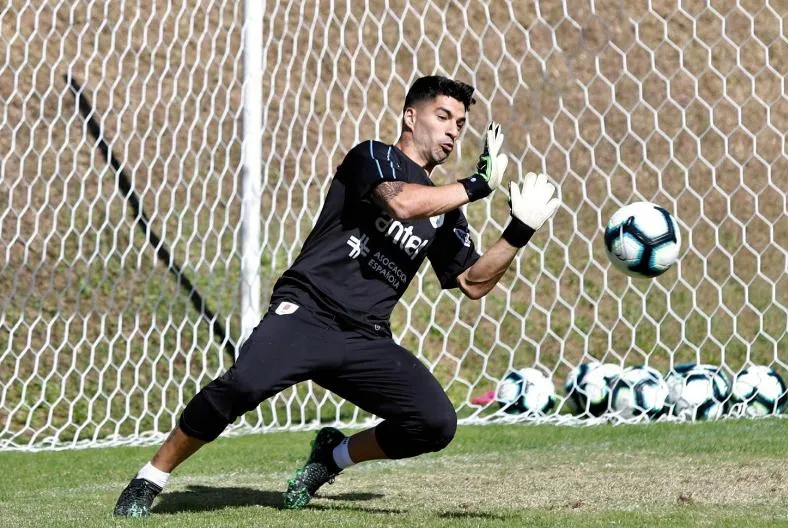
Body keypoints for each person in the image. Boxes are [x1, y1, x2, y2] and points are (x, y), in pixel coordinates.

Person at [113, 75, 561, 517]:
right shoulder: (373, 156)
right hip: (307, 312)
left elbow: (472, 282)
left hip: (365, 338)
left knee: (435, 423)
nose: (452, 130)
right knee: (244, 385)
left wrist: (518, 232)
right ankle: (150, 479)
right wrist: (475, 186)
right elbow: (402, 204)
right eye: (442, 116)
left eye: (460, 124)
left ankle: (332, 456)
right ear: (410, 116)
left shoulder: (446, 210)